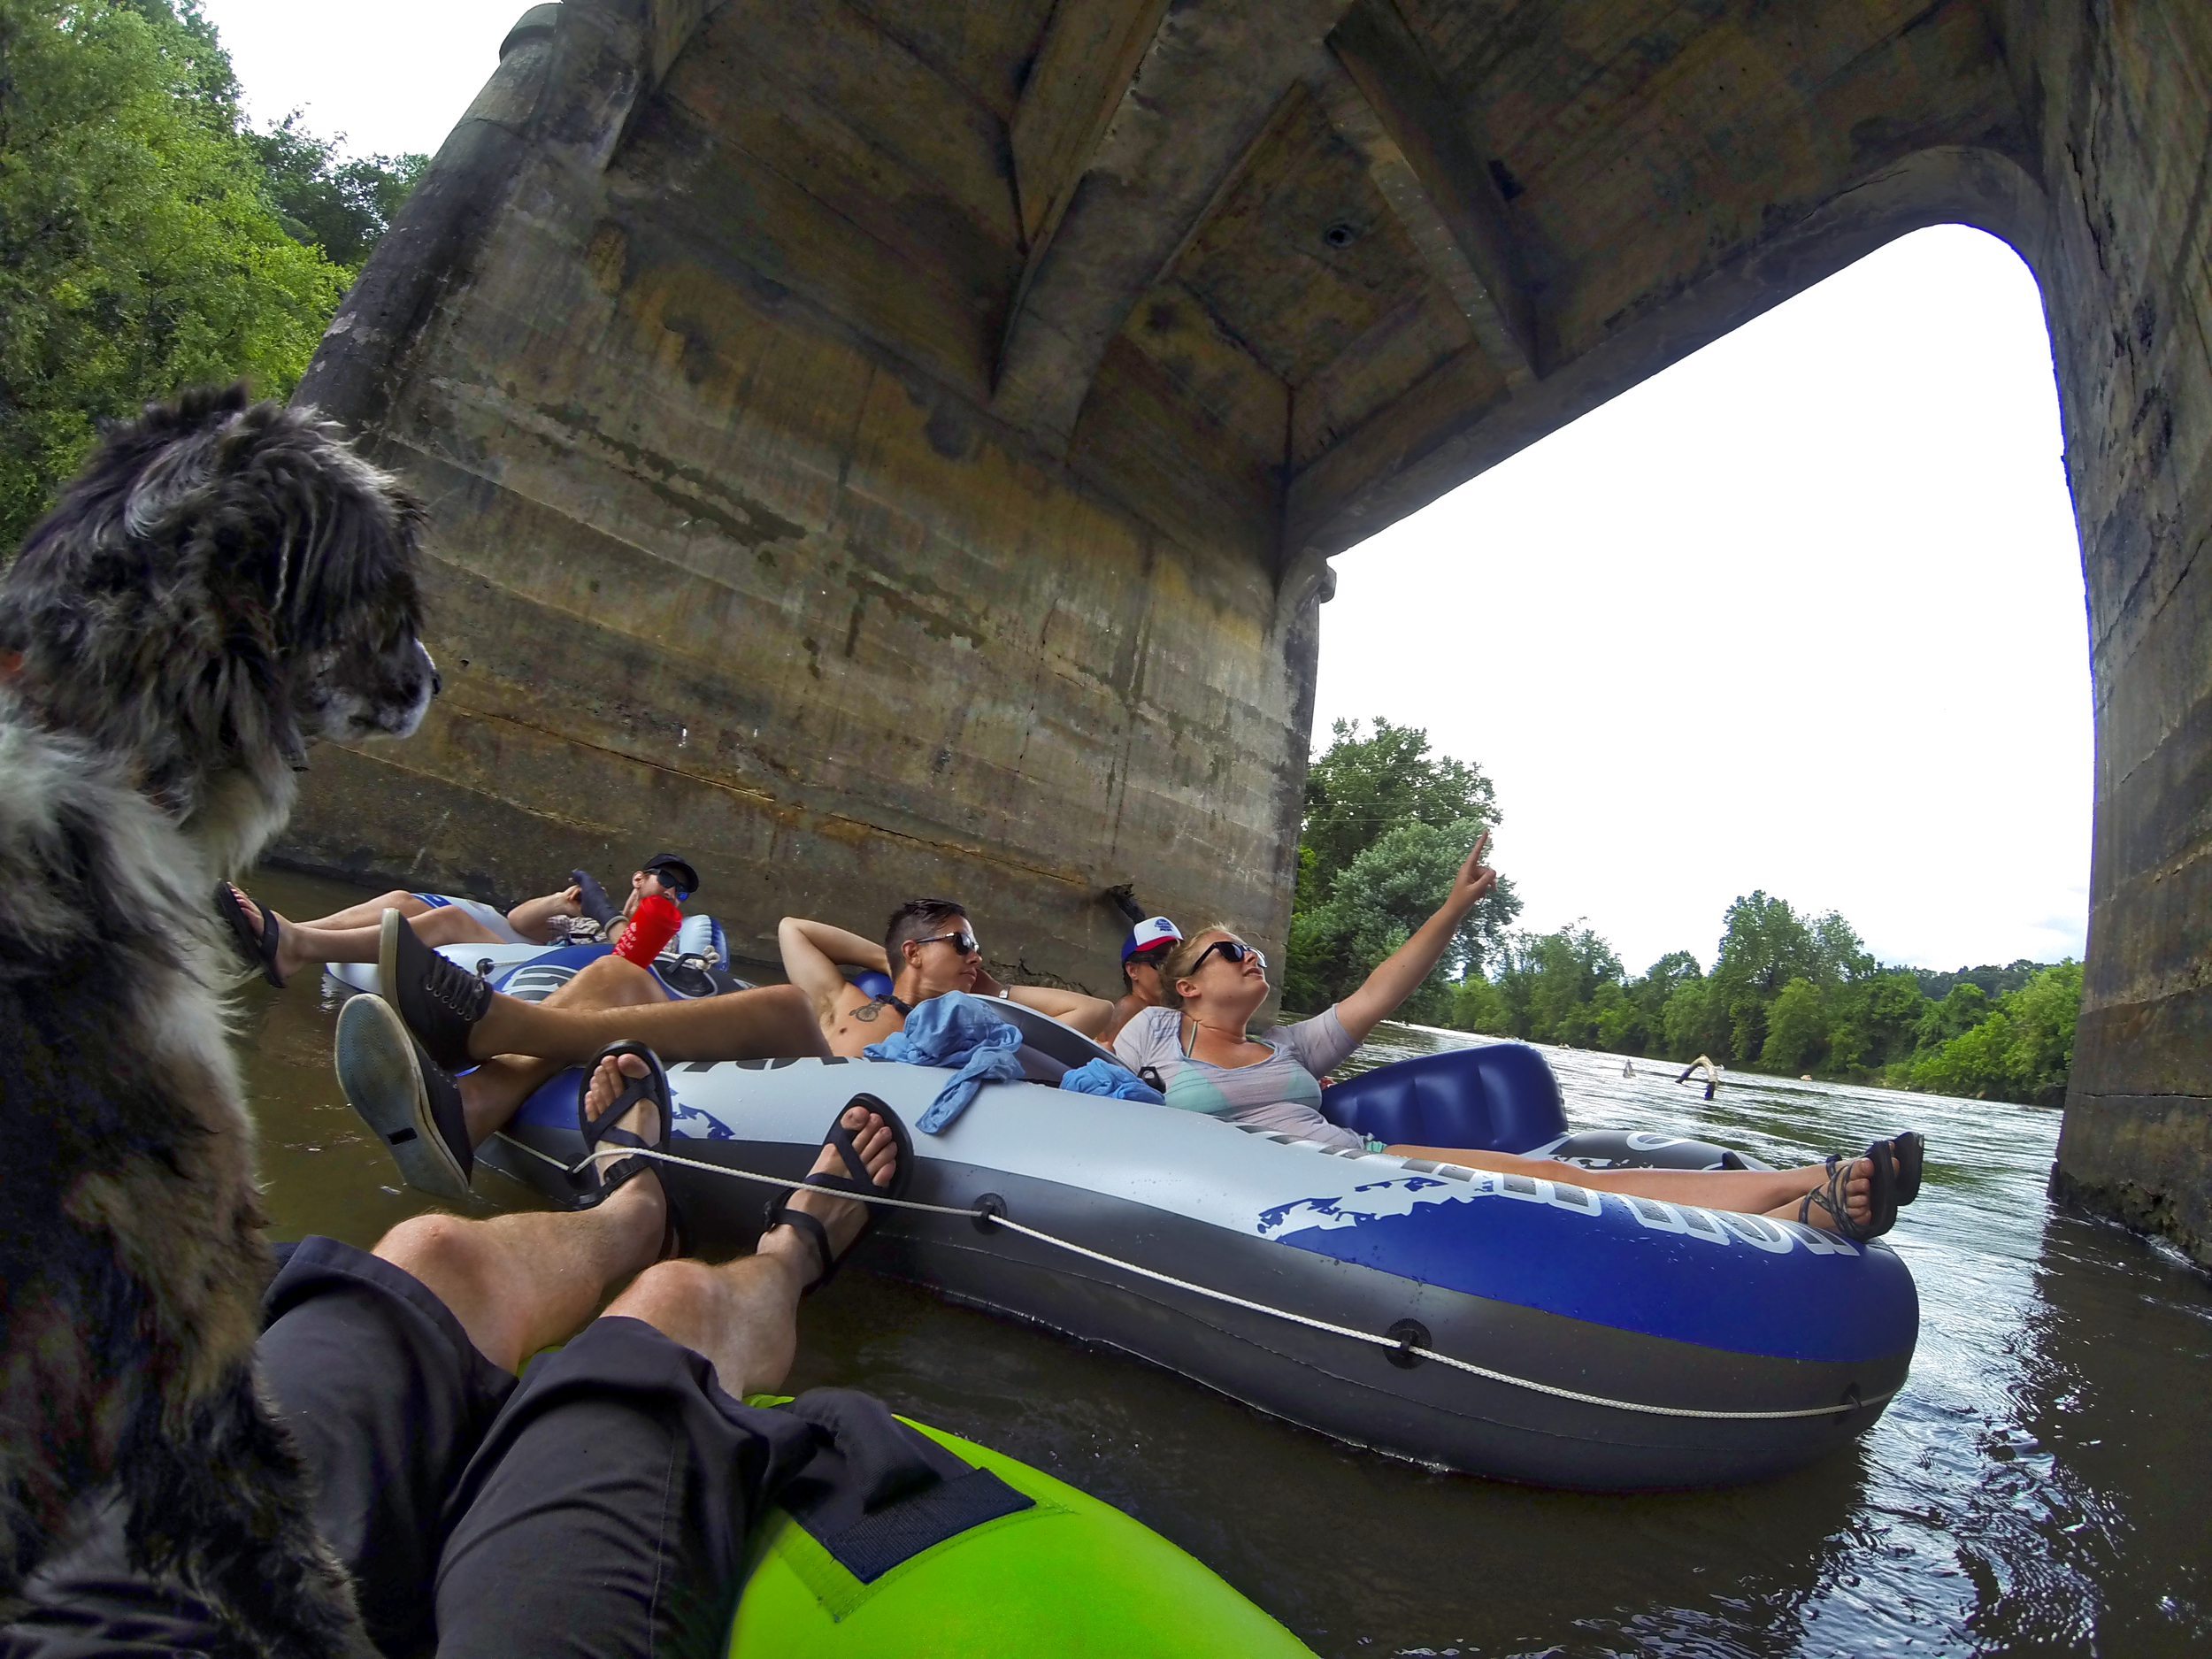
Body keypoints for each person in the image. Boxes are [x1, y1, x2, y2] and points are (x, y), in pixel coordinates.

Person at [0, 1049, 902, 1659]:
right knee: (671, 1313)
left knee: (433, 1253)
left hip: (105, 1627)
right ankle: (789, 1258)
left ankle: (634, 1213)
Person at [1112, 833, 1924, 1240]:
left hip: (1366, 1163)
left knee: (1564, 1176)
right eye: (1230, 951)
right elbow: (1082, 1079)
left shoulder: (1290, 1047)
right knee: (1566, 1185)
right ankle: (1812, 1191)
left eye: (1251, 948)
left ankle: (1815, 1185)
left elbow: (1381, 986)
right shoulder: (1153, 1031)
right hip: (1271, 1195)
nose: (1250, 955)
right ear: (1188, 984)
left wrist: (1455, 907)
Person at [335, 896, 1110, 1202]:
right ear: (911, 949)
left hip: (839, 1096)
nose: (976, 953)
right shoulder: (853, 998)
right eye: (963, 941)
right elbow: (793, 931)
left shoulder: (971, 1013)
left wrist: (982, 987)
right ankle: (469, 1108)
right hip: (771, 1068)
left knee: (776, 1001)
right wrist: (889, 961)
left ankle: (498, 1029)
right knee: (616, 970)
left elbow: (1093, 1010)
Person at [217, 853, 701, 988]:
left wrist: (610, 917)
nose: (673, 892)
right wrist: (561, 903)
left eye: (682, 891)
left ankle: (296, 945)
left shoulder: (669, 939)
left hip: (548, 979)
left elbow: (639, 967)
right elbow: (519, 922)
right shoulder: (587, 920)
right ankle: (294, 934)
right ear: (640, 878)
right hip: (531, 956)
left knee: (447, 919)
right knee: (404, 900)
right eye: (666, 880)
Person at [1102, 915, 1182, 1044]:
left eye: (1177, 961)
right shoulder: (1133, 1007)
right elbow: (1106, 1054)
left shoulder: (1166, 1012)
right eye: (1160, 960)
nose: (1170, 969)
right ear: (1133, 970)